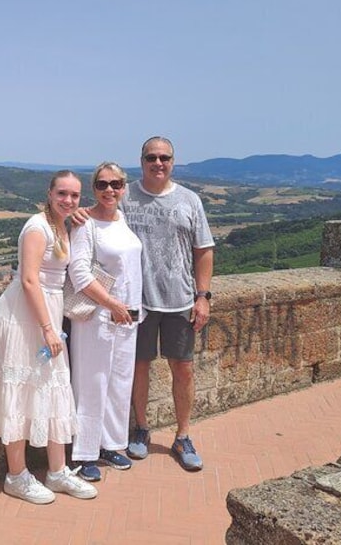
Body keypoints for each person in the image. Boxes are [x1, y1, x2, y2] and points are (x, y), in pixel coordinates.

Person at [0, 170, 98, 505]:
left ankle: (57, 471)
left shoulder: (62, 224)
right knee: (21, 389)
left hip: (47, 309)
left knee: (53, 386)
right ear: (49, 193)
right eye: (62, 194)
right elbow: (29, 280)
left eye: (74, 195)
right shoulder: (37, 227)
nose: (68, 200)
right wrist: (48, 328)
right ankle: (16, 476)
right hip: (25, 315)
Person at [124, 136, 214, 471]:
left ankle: (183, 435)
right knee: (139, 367)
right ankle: (141, 429)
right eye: (152, 157)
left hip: (180, 301)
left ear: (173, 161)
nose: (158, 163)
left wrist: (203, 297)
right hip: (138, 302)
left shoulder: (190, 200)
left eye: (164, 157)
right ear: (142, 161)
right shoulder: (124, 197)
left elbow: (203, 251)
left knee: (184, 368)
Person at [67, 162, 144, 482]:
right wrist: (112, 304)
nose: (109, 190)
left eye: (116, 183)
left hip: (128, 317)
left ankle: (111, 444)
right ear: (93, 188)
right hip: (98, 317)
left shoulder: (122, 218)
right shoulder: (85, 224)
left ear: (124, 187)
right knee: (91, 382)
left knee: (119, 382)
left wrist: (125, 309)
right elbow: (79, 273)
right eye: (102, 184)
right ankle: (85, 452)